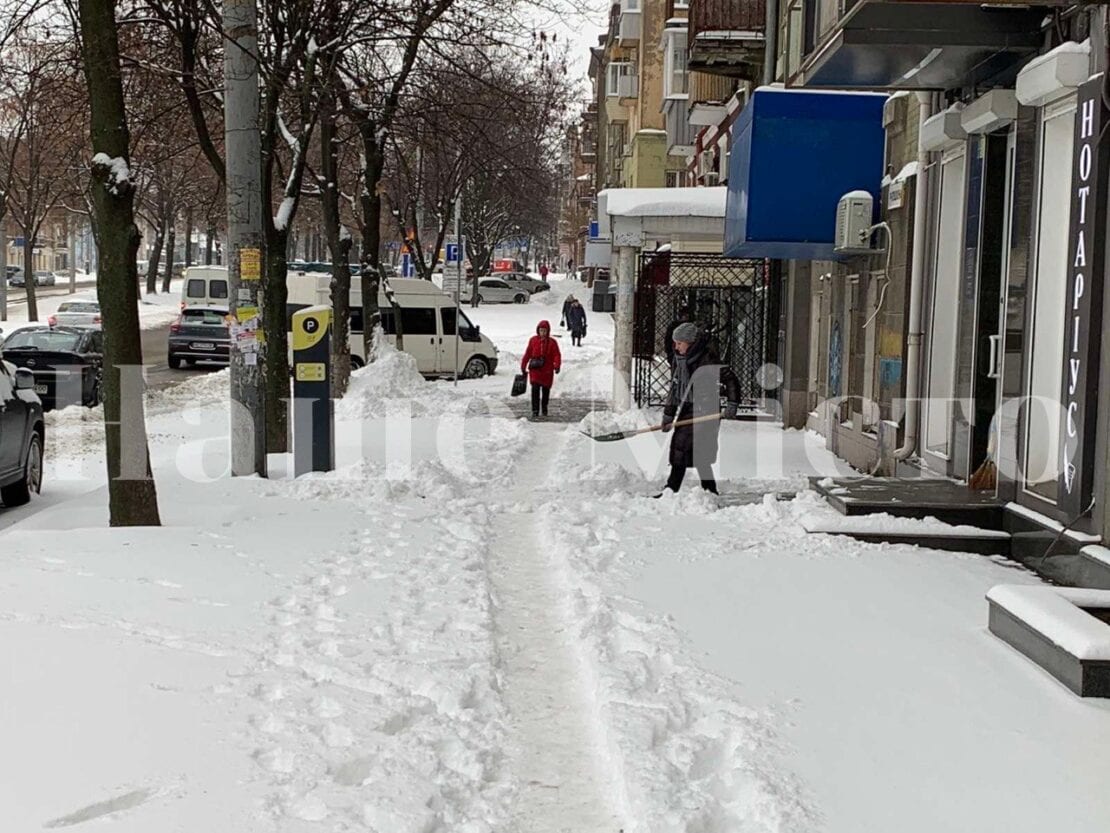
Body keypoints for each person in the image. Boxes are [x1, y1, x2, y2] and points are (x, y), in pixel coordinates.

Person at [658, 322, 740, 496]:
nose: (676, 346)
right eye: (675, 342)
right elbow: (675, 389)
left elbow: (730, 378)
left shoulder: (706, 359)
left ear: (690, 342)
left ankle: (672, 489)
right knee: (696, 450)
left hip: (707, 409)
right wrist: (668, 415)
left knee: (685, 446)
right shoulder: (678, 360)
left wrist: (732, 404)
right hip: (689, 407)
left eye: (680, 343)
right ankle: (709, 490)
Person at [521, 319, 561, 419]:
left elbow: (557, 355)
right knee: (535, 389)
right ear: (538, 330)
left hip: (547, 370)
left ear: (548, 331)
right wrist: (523, 365)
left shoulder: (552, 342)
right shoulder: (533, 340)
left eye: (544, 330)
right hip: (535, 370)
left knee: (545, 391)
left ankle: (544, 407)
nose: (542, 332)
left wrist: (557, 365)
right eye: (541, 330)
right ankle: (535, 410)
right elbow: (528, 353)